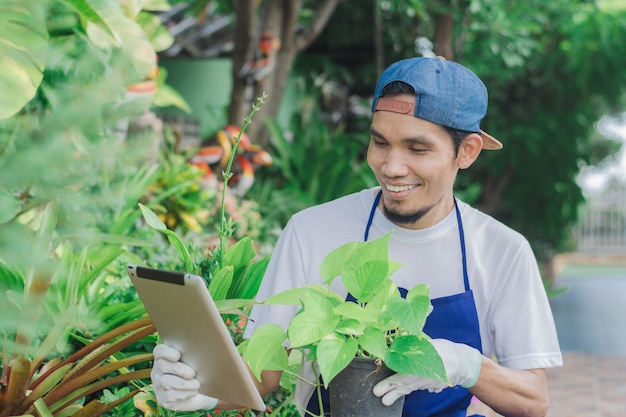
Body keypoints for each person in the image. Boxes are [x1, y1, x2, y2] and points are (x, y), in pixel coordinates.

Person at [150, 56, 563, 417]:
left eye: (417, 150)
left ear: (467, 152)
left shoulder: (502, 251)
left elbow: (532, 402)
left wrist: (465, 364)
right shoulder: (312, 230)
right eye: (379, 142)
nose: (391, 166)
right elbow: (264, 375)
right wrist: (200, 388)